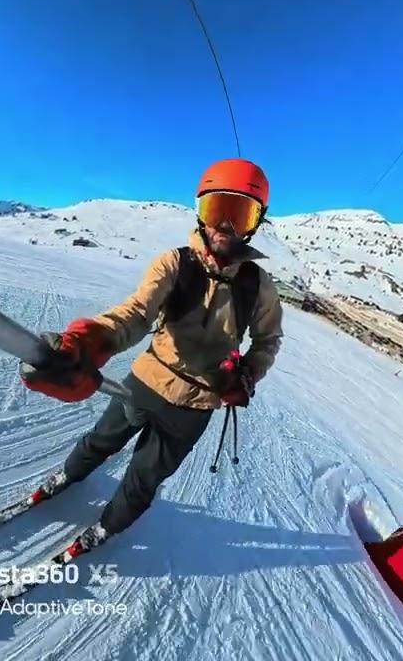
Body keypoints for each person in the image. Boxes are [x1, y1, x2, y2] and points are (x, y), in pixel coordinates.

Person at [19, 158, 285, 556]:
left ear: (256, 222)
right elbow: (136, 313)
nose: (224, 228)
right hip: (144, 383)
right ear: (200, 213)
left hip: (195, 406)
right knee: (100, 440)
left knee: (144, 477)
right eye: (217, 211)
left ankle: (108, 527)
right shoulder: (175, 264)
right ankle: (68, 476)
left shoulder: (258, 286)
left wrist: (247, 373)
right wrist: (89, 342)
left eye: (239, 214)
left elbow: (268, 339)